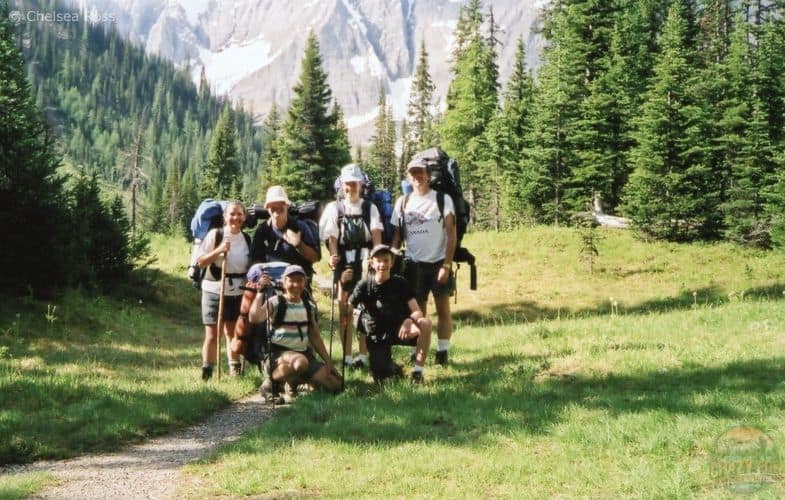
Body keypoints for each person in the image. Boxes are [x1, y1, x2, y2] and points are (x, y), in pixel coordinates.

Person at [391, 156, 457, 365]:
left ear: (428, 175)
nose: (417, 176)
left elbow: (451, 234)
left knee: (442, 308)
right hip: (413, 265)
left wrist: (447, 264)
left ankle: (442, 352)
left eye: (421, 172)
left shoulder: (442, 199)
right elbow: (397, 235)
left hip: (438, 262)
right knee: (417, 310)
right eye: (413, 173)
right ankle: (418, 351)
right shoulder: (402, 202)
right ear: (408, 177)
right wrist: (392, 256)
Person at [246, 264, 342, 401]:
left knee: (336, 384)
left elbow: (315, 336)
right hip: (277, 355)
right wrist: (260, 293)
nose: (296, 285)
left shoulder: (309, 306)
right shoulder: (276, 302)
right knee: (300, 362)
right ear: (284, 282)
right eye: (291, 280)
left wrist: (328, 362)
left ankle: (295, 382)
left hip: (304, 355)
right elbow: (254, 318)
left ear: (305, 282)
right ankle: (270, 385)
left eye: (300, 280)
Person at [319, 163, 383, 370]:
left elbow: (376, 236)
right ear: (342, 185)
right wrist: (333, 257)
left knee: (365, 308)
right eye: (348, 184)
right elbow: (332, 238)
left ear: (361, 184)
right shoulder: (334, 208)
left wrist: (376, 260)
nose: (351, 187)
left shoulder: (369, 208)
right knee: (344, 309)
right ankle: (347, 356)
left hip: (366, 262)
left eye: (354, 183)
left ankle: (362, 355)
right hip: (344, 263)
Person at [350, 244, 432, 384]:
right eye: (378, 261)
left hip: (399, 329)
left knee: (425, 323)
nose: (382, 264)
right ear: (372, 263)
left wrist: (409, 321)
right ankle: (393, 368)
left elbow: (417, 311)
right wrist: (357, 319)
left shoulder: (400, 283)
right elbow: (349, 308)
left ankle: (417, 372)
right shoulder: (364, 285)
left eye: (386, 260)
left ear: (392, 262)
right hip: (378, 334)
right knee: (383, 378)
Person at [196, 201, 252, 380]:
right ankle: (207, 372)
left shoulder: (246, 239)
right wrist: (219, 251)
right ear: (225, 217)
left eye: (239, 214)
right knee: (213, 334)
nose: (236, 218)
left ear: (244, 217)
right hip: (214, 289)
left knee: (233, 332)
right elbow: (200, 262)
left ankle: (234, 369)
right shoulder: (216, 234)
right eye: (232, 214)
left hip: (237, 292)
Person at [251, 185, 320, 286]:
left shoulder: (300, 226)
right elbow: (255, 259)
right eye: (272, 205)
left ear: (287, 205)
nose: (276, 207)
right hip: (271, 286)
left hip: (298, 287)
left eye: (281, 204)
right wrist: (260, 276)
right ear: (267, 208)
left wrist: (299, 245)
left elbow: (315, 258)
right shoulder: (262, 230)